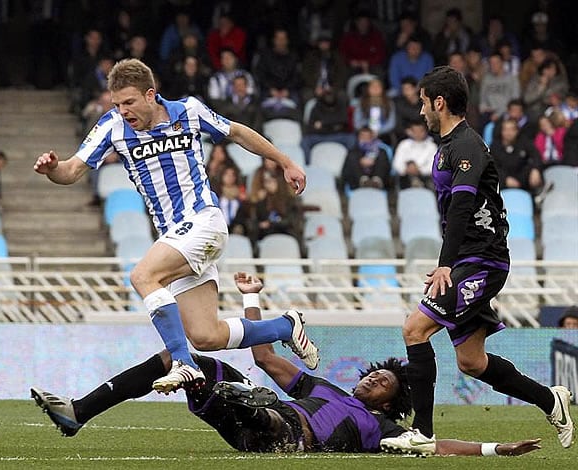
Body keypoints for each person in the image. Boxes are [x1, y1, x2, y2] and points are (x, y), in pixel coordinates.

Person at [33, 58, 315, 394]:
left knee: (143, 276)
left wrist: (285, 162)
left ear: (151, 95)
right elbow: (72, 170)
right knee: (206, 335)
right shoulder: (112, 127)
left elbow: (236, 132)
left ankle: (183, 363)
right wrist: (52, 169)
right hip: (176, 237)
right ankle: (284, 326)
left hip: (204, 221)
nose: (123, 111)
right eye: (117, 104)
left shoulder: (189, 111)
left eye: (129, 102)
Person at [31, 272, 542, 458]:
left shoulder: (381, 430)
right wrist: (252, 299)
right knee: (178, 357)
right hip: (262, 420)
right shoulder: (321, 386)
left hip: (283, 436)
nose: (371, 378)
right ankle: (80, 409)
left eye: (382, 381)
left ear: (392, 401)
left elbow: (436, 447)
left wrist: (497, 448)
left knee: (257, 406)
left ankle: (225, 396)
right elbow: (264, 355)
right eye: (372, 373)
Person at [379, 66, 574, 454]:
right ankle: (552, 401)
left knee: (414, 330)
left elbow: (464, 207)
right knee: (472, 362)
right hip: (469, 259)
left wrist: (446, 264)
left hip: (481, 262)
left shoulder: (467, 146)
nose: (420, 112)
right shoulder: (450, 146)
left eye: (423, 103)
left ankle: (423, 432)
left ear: (440, 102)